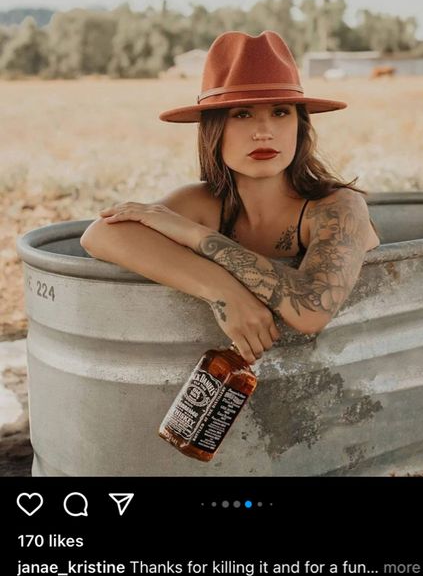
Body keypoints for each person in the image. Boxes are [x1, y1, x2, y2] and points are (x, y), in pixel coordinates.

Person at [81, 30, 380, 365]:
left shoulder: (337, 206)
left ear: (301, 125)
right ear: (214, 129)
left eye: (281, 112)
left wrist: (194, 235)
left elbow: (312, 309)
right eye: (242, 114)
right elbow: (100, 234)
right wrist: (223, 291)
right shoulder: (203, 202)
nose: (264, 131)